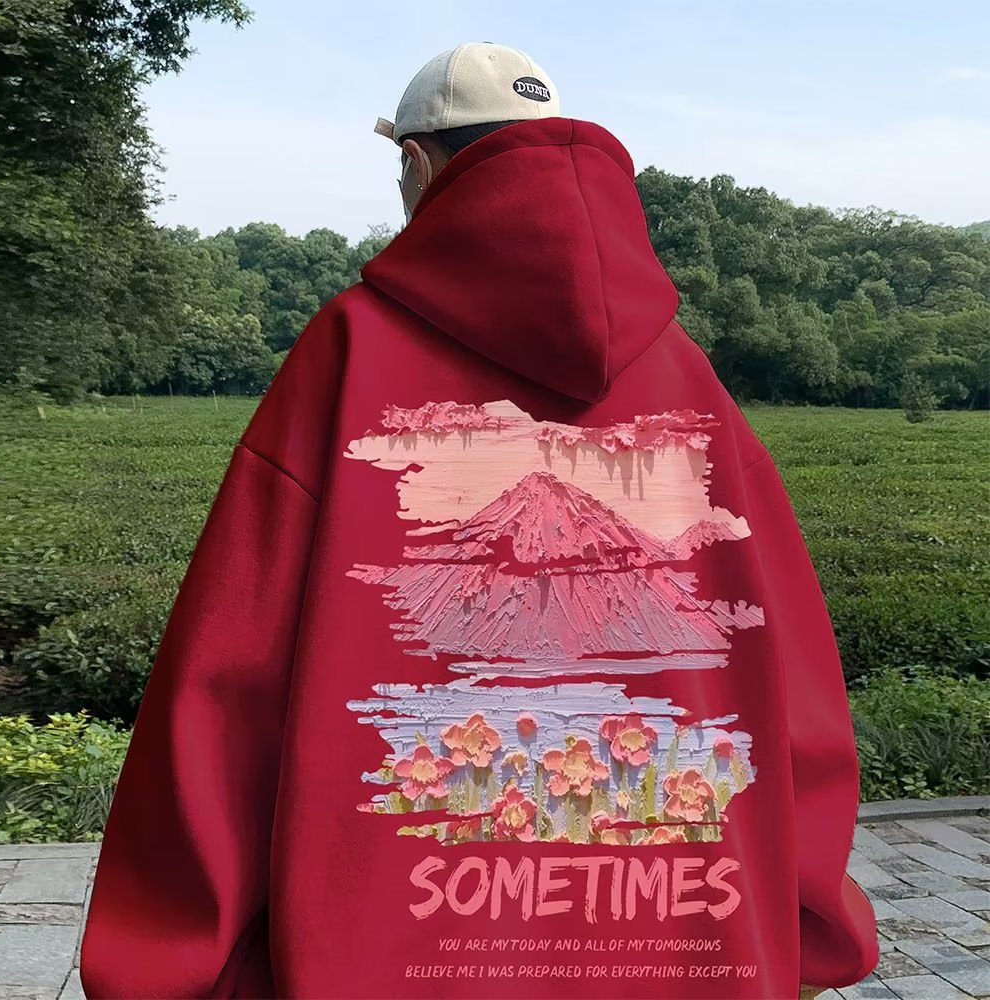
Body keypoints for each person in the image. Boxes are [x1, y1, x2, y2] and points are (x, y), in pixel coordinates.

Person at [79, 40, 879, 1000]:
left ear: (418, 165)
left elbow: (225, 685)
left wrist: (177, 956)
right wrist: (806, 924)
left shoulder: (347, 348)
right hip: (683, 952)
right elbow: (795, 686)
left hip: (385, 959)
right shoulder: (687, 375)